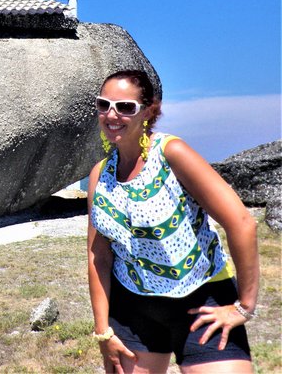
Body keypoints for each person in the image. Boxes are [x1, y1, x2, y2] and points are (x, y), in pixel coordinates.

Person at [87, 69, 259, 374]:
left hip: (202, 301)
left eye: (125, 107)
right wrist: (104, 331)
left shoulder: (171, 153)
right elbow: (99, 255)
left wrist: (244, 307)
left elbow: (242, 222)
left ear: (149, 112)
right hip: (132, 311)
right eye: (104, 105)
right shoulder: (100, 174)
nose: (112, 115)